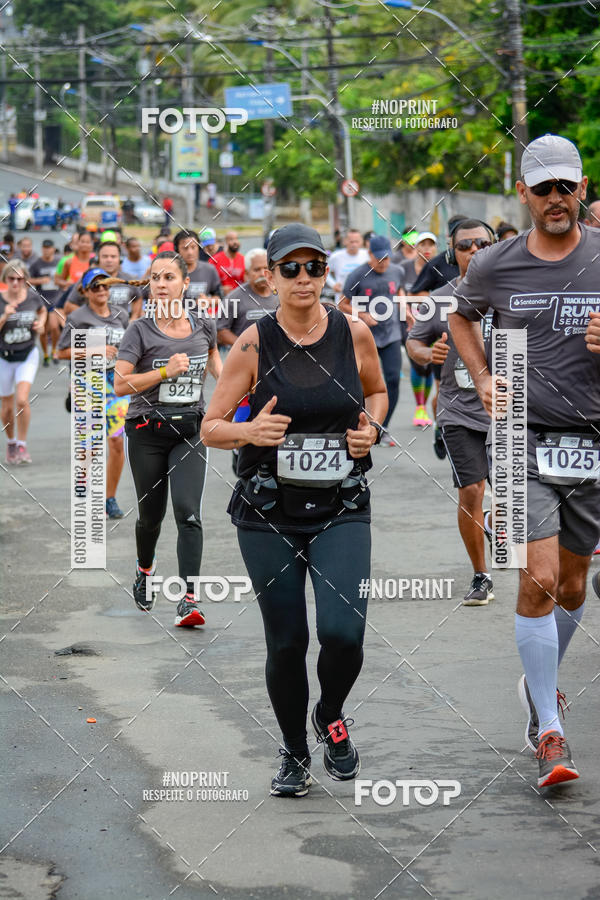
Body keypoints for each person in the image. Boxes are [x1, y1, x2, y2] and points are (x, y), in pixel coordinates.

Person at [202, 223, 387, 797]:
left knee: (344, 633)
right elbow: (211, 427)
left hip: (341, 505)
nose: (304, 278)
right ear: (272, 276)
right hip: (267, 512)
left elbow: (377, 392)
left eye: (314, 267)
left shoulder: (353, 332)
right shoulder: (254, 343)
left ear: (325, 271)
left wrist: (372, 430)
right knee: (286, 641)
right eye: (291, 268)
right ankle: (294, 752)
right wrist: (250, 429)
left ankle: (329, 713)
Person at [450, 134, 600, 788]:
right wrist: (482, 374)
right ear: (524, 193)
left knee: (572, 585)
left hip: (592, 440)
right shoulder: (497, 264)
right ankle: (548, 729)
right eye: (543, 188)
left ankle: (537, 686)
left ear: (584, 187)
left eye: (566, 186)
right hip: (522, 437)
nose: (556, 199)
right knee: (536, 578)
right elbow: (461, 318)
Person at [114, 251, 222, 625]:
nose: (161, 285)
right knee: (151, 518)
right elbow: (120, 383)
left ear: (184, 283)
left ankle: (189, 601)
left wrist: (244, 393)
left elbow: (219, 370)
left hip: (189, 432)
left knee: (188, 513)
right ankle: (146, 569)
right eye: (155, 278)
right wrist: (163, 373)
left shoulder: (204, 326)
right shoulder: (139, 331)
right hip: (147, 434)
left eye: (168, 278)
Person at [407, 220, 496, 605]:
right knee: (472, 490)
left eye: (482, 243)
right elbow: (414, 342)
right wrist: (429, 354)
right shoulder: (440, 298)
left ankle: (526, 566)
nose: (474, 250)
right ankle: (482, 575)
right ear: (453, 252)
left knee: (511, 495)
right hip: (459, 411)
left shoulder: (517, 292)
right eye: (465, 246)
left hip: (510, 411)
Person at [57, 268, 130, 518]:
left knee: (117, 442)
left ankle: (109, 497)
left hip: (116, 383)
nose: (101, 290)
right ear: (85, 291)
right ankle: (84, 486)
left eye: (105, 285)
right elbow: (62, 352)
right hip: (88, 381)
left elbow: (129, 349)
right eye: (95, 286)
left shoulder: (122, 314)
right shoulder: (77, 317)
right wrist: (94, 350)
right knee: (91, 444)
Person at [338, 235, 404, 445]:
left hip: (391, 334)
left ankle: (381, 427)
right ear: (369, 254)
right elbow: (342, 304)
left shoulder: (397, 271)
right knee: (361, 385)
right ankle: (359, 424)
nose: (384, 263)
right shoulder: (357, 275)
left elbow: (399, 292)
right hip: (366, 338)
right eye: (379, 258)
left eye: (387, 258)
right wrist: (363, 315)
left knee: (392, 380)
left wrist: (407, 310)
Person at [0, 261, 46, 464]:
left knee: (21, 400)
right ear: (5, 280)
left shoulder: (33, 298)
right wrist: (4, 316)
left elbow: (43, 310)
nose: (16, 283)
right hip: (4, 356)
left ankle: (22, 444)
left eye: (20, 279)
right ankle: (10, 442)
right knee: (7, 406)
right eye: (12, 279)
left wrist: (41, 324)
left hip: (27, 353)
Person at [63, 241, 143, 320]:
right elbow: (69, 306)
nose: (109, 260)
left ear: (120, 259)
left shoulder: (128, 279)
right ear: (98, 259)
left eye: (113, 256)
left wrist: (133, 318)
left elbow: (138, 298)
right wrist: (91, 318)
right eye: (105, 256)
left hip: (121, 329)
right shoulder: (88, 279)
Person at [406, 232, 438, 427]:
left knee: (434, 364)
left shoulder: (442, 268)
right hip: (411, 323)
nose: (427, 248)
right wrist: (407, 312)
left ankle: (435, 407)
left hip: (437, 325)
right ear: (415, 247)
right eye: (422, 244)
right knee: (418, 364)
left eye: (431, 244)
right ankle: (420, 407)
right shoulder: (405, 268)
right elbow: (402, 295)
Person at [217, 248, 278, 346]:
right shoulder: (233, 298)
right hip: (245, 359)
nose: (262, 274)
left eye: (265, 269)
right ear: (246, 273)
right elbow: (220, 330)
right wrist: (246, 347)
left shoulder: (281, 295)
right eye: (257, 270)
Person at [410, 215, 466, 295]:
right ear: (449, 237)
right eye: (423, 244)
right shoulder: (435, 264)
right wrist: (439, 302)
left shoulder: (482, 262)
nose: (427, 248)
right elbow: (413, 294)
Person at [28, 239, 61, 365]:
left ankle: (54, 350)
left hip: (56, 300)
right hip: (42, 301)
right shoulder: (36, 264)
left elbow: (65, 276)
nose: (47, 250)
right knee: (44, 329)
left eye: (49, 248)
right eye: (45, 248)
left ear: (53, 249)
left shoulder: (59, 262)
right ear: (42, 249)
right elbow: (28, 280)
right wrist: (41, 280)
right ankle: (46, 354)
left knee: (54, 327)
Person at [173, 230, 222, 306]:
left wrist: (208, 301)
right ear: (177, 250)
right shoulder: (170, 271)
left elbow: (219, 297)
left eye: (193, 247)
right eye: (185, 248)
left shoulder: (209, 270)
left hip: (201, 317)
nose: (190, 252)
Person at [325, 229, 368, 305]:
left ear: (361, 242)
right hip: (342, 301)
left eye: (357, 241)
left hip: (362, 301)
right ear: (345, 241)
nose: (354, 244)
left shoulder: (367, 255)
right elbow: (324, 271)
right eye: (351, 241)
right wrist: (333, 284)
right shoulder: (336, 256)